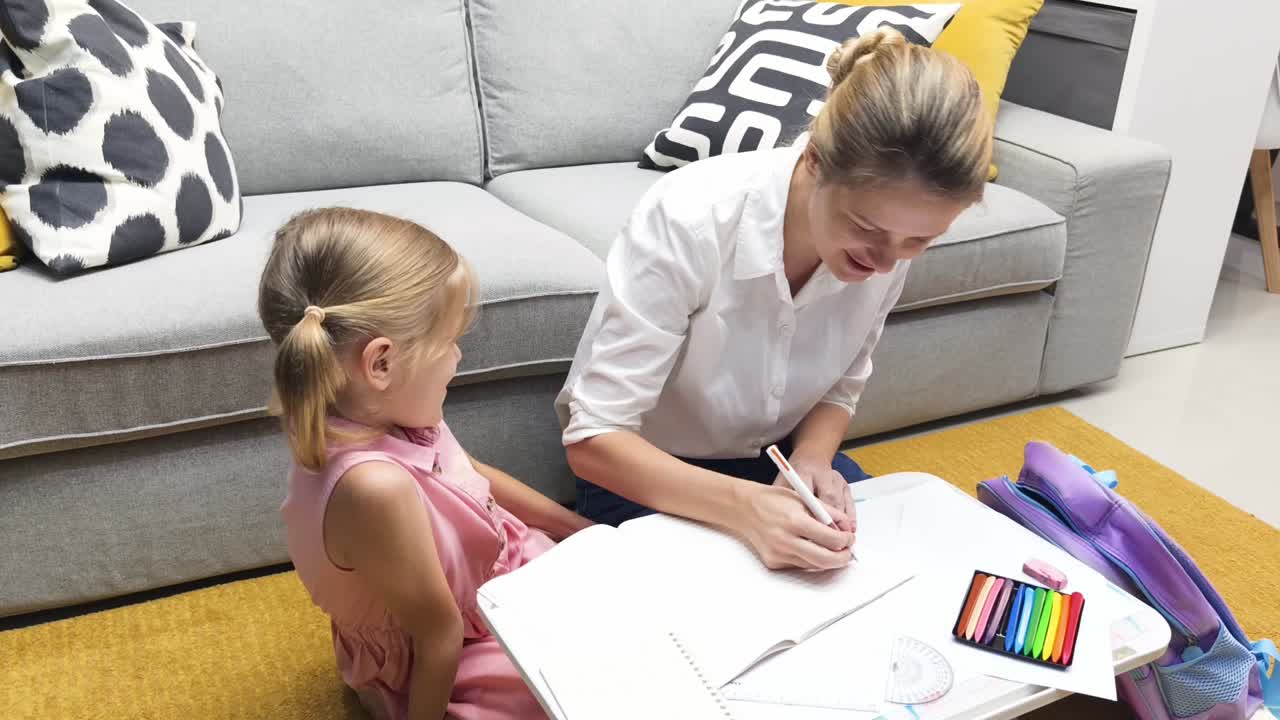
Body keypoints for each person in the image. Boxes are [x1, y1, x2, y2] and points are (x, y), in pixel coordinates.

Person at [557, 28, 992, 571]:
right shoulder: (689, 218)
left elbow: (845, 380)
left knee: (904, 574)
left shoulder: (886, 242)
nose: (886, 262)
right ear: (813, 159)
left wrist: (813, 458)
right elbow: (594, 439)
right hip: (649, 474)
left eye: (918, 241)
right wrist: (747, 509)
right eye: (866, 228)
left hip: (779, 462)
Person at [259, 208, 591, 720]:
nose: (458, 357)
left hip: (497, 568)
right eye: (450, 341)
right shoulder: (374, 489)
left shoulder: (383, 409)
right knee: (578, 690)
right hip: (450, 648)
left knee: (633, 609)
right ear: (382, 363)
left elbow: (470, 476)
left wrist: (576, 527)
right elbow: (439, 636)